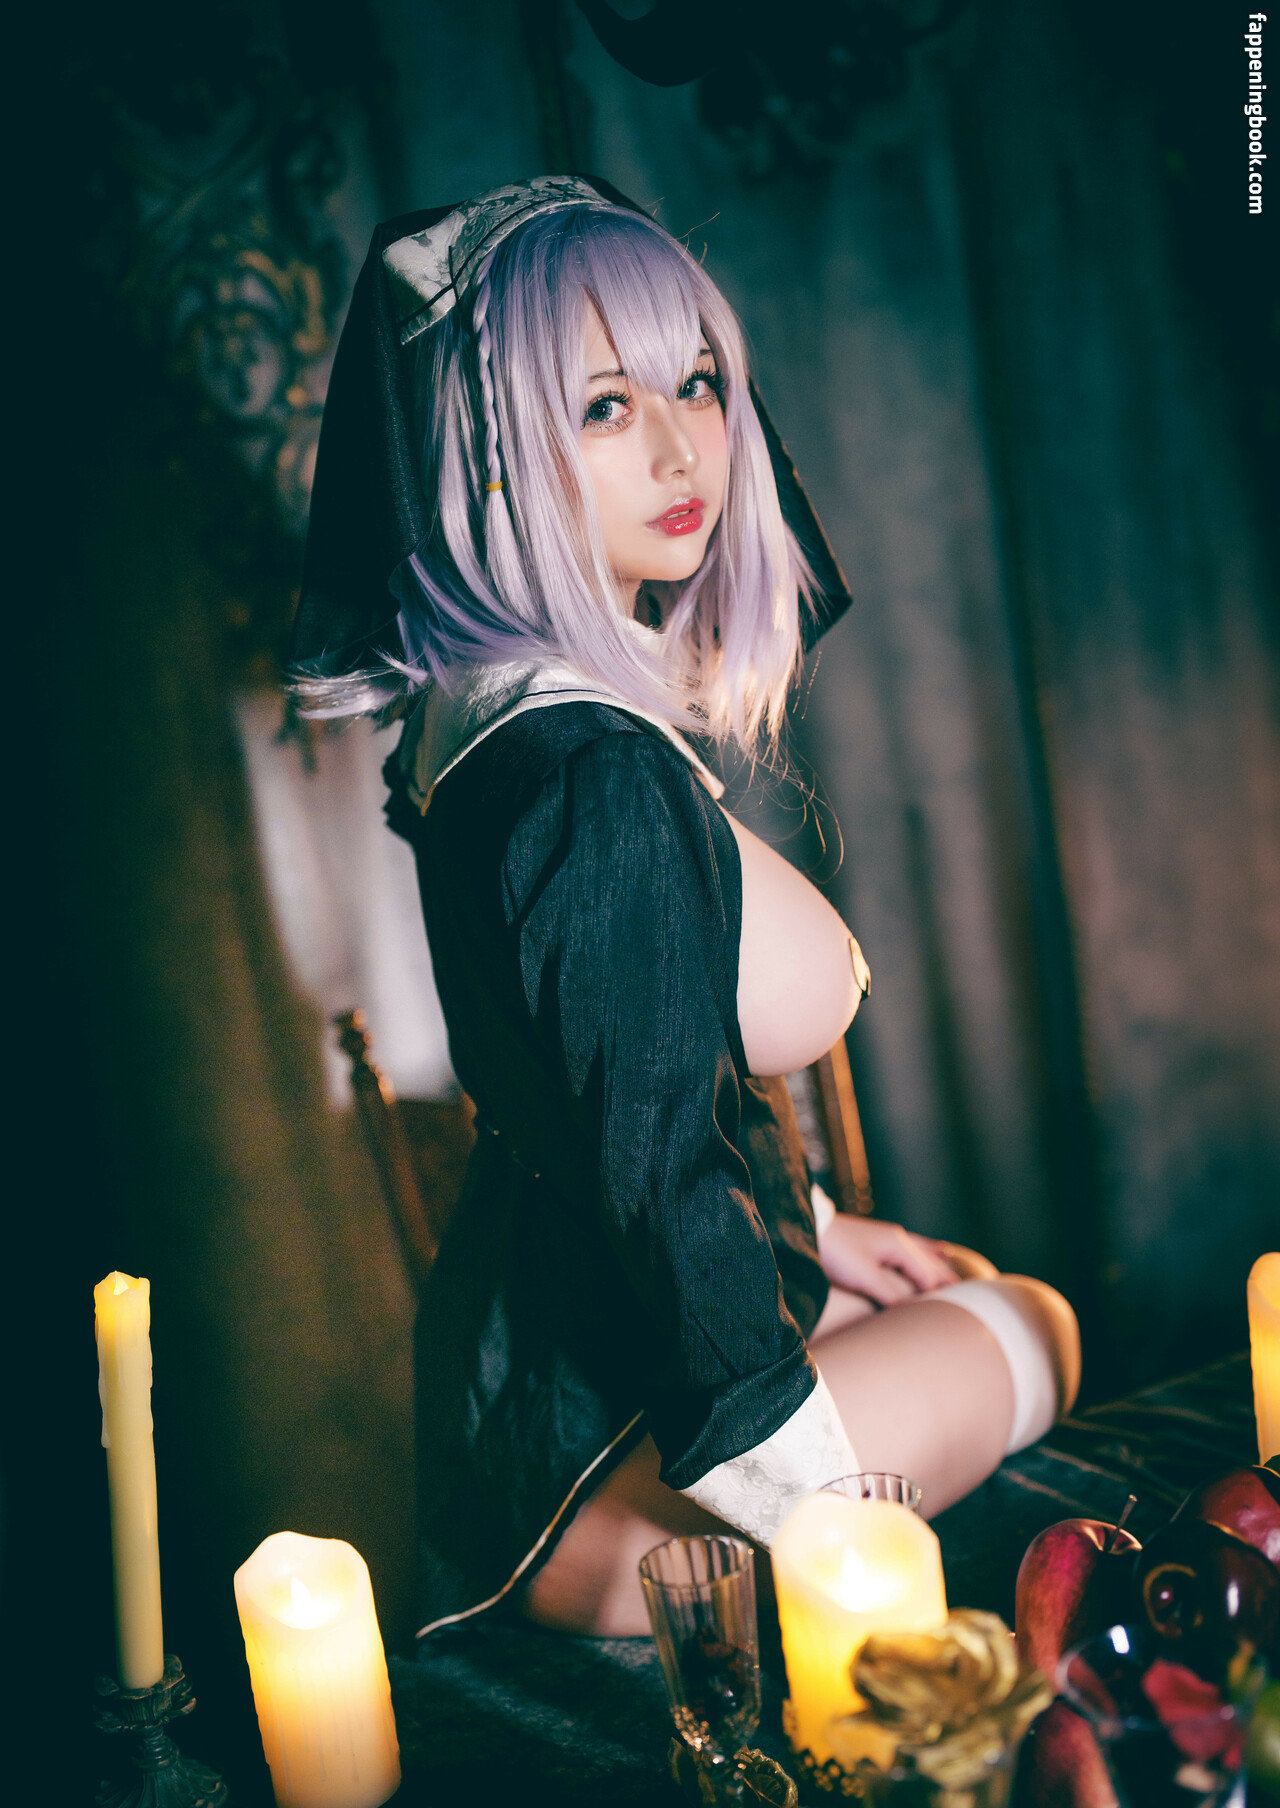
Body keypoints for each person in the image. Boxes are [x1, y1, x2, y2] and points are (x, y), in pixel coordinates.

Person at [292, 176, 1080, 1640]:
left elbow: (607, 1081)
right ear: (491, 453)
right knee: (1031, 1320)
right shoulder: (587, 769)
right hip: (611, 1503)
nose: (681, 448)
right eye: (602, 407)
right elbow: (655, 1164)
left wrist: (814, 1229)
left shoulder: (494, 719)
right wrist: (820, 1525)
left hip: (543, 1414)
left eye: (698, 383)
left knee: (946, 1294)